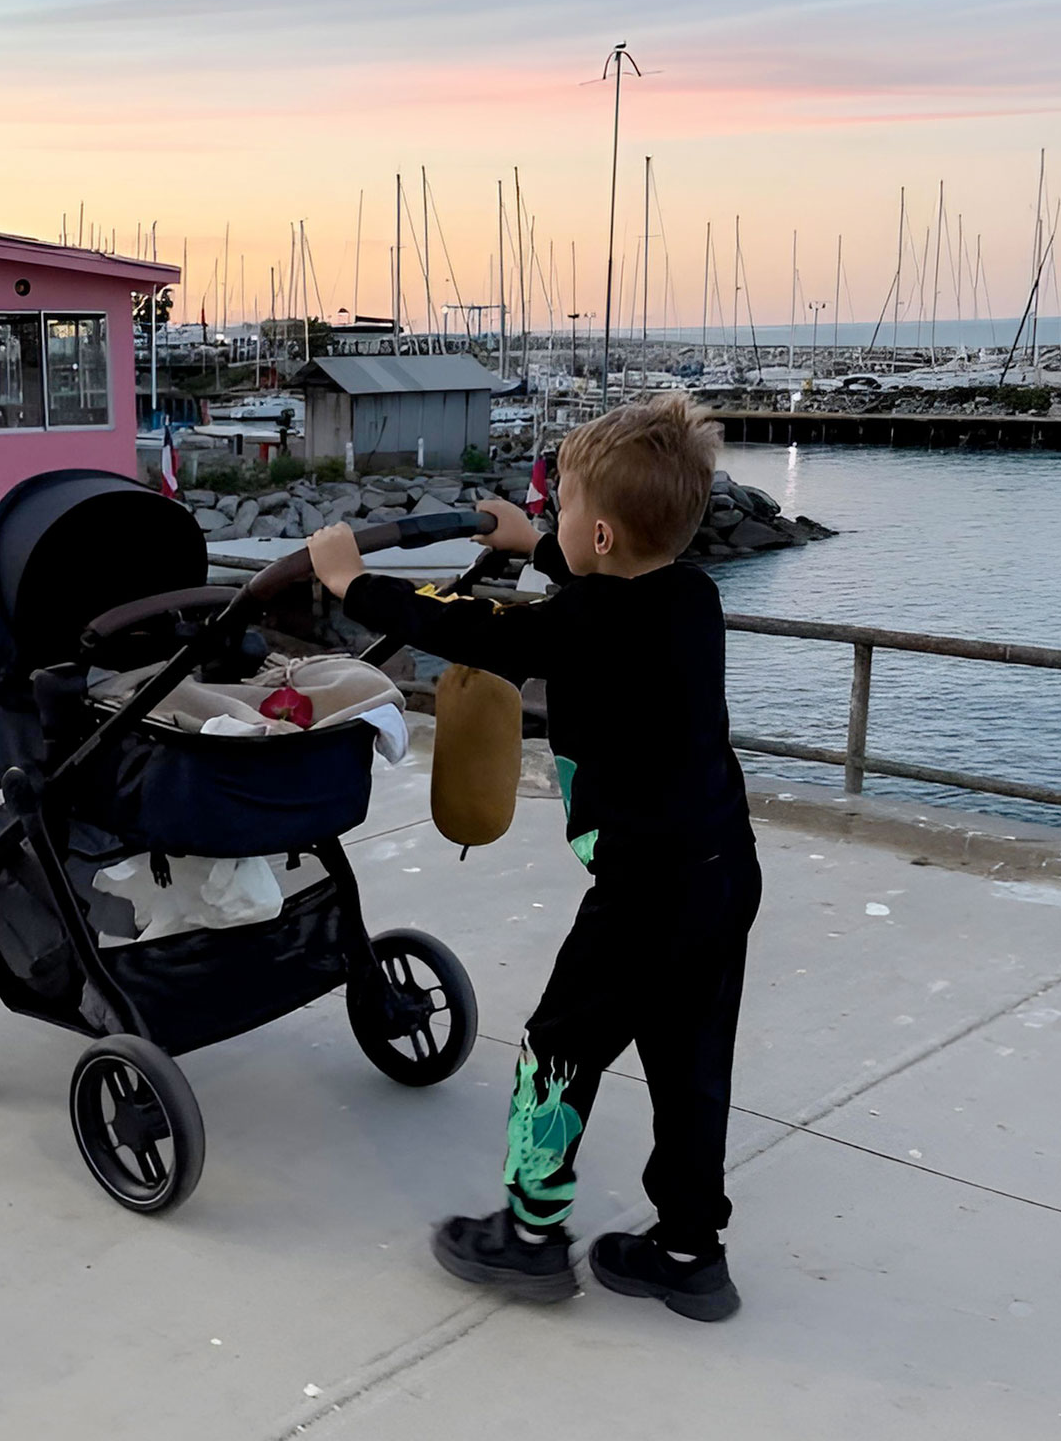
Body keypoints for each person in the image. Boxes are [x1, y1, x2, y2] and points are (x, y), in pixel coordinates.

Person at [308, 394, 761, 1321]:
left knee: (558, 1050)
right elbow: (603, 590)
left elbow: (481, 628)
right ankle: (689, 1251)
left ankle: (529, 1235)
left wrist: (354, 584)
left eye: (561, 513)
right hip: (723, 871)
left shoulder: (586, 624)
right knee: (690, 1063)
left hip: (645, 888)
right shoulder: (693, 597)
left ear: (597, 530)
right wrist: (538, 545)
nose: (550, 520)